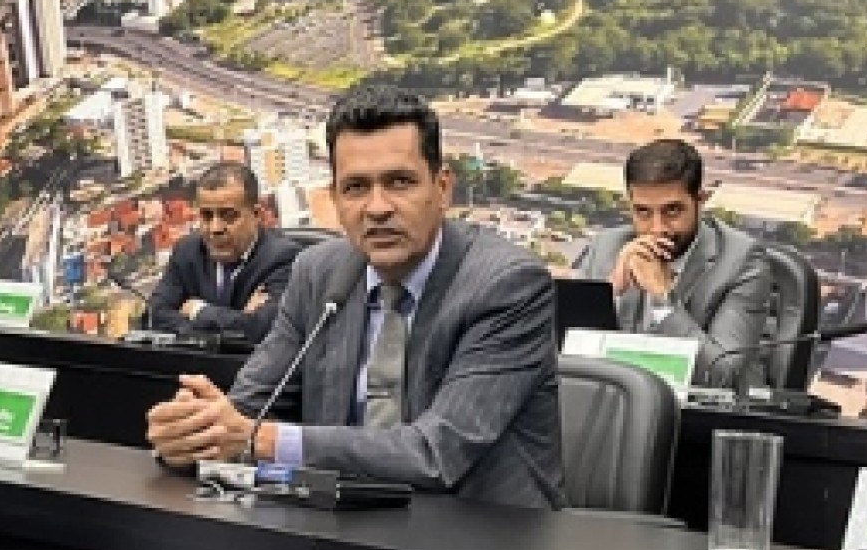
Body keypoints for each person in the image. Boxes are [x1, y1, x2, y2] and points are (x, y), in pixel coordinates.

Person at [147, 85, 565, 509]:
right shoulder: (317, 274)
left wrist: (260, 439)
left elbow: (436, 455)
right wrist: (190, 433)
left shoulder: (507, 284)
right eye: (356, 187)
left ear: (442, 189)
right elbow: (244, 411)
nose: (377, 208)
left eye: (399, 182)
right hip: (340, 524)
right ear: (335, 199)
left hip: (480, 532)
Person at [578, 138, 771, 387]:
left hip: (696, 408)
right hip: (621, 403)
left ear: (700, 200)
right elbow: (566, 355)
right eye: (643, 212)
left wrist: (663, 298)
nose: (657, 228)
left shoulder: (743, 260)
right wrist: (608, 295)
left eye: (672, 211)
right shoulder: (605, 247)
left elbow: (721, 376)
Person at [147, 161, 300, 344]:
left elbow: (264, 329)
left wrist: (198, 311)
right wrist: (236, 323)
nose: (215, 228)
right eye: (206, 216)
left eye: (228, 216)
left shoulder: (284, 258)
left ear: (256, 215)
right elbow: (156, 313)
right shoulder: (187, 251)